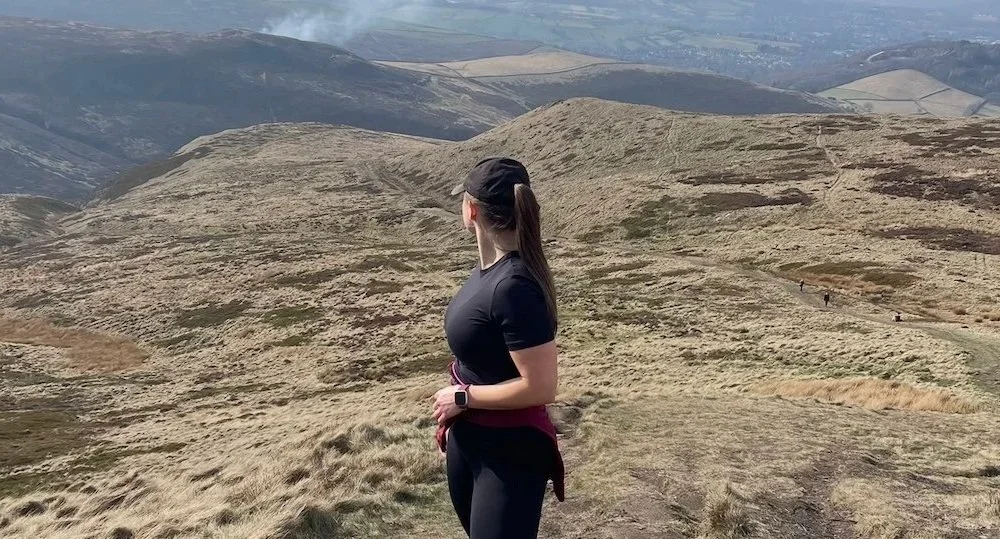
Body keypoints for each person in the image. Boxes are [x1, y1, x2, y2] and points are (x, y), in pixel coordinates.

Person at [432, 157, 564, 539]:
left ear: (471, 210)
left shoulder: (515, 286)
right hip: (473, 442)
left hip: (508, 454)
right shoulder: (489, 272)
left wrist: (464, 397)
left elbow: (541, 387)